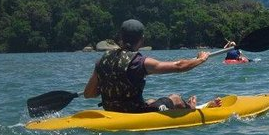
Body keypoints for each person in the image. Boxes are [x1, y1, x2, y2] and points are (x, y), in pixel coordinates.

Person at [84, 19, 221, 112]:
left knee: (150, 101)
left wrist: (110, 86)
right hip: (134, 114)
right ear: (142, 39)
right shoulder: (139, 62)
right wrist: (201, 59)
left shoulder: (102, 61)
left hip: (111, 112)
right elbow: (179, 66)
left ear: (121, 38)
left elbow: (88, 94)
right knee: (175, 98)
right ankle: (191, 109)